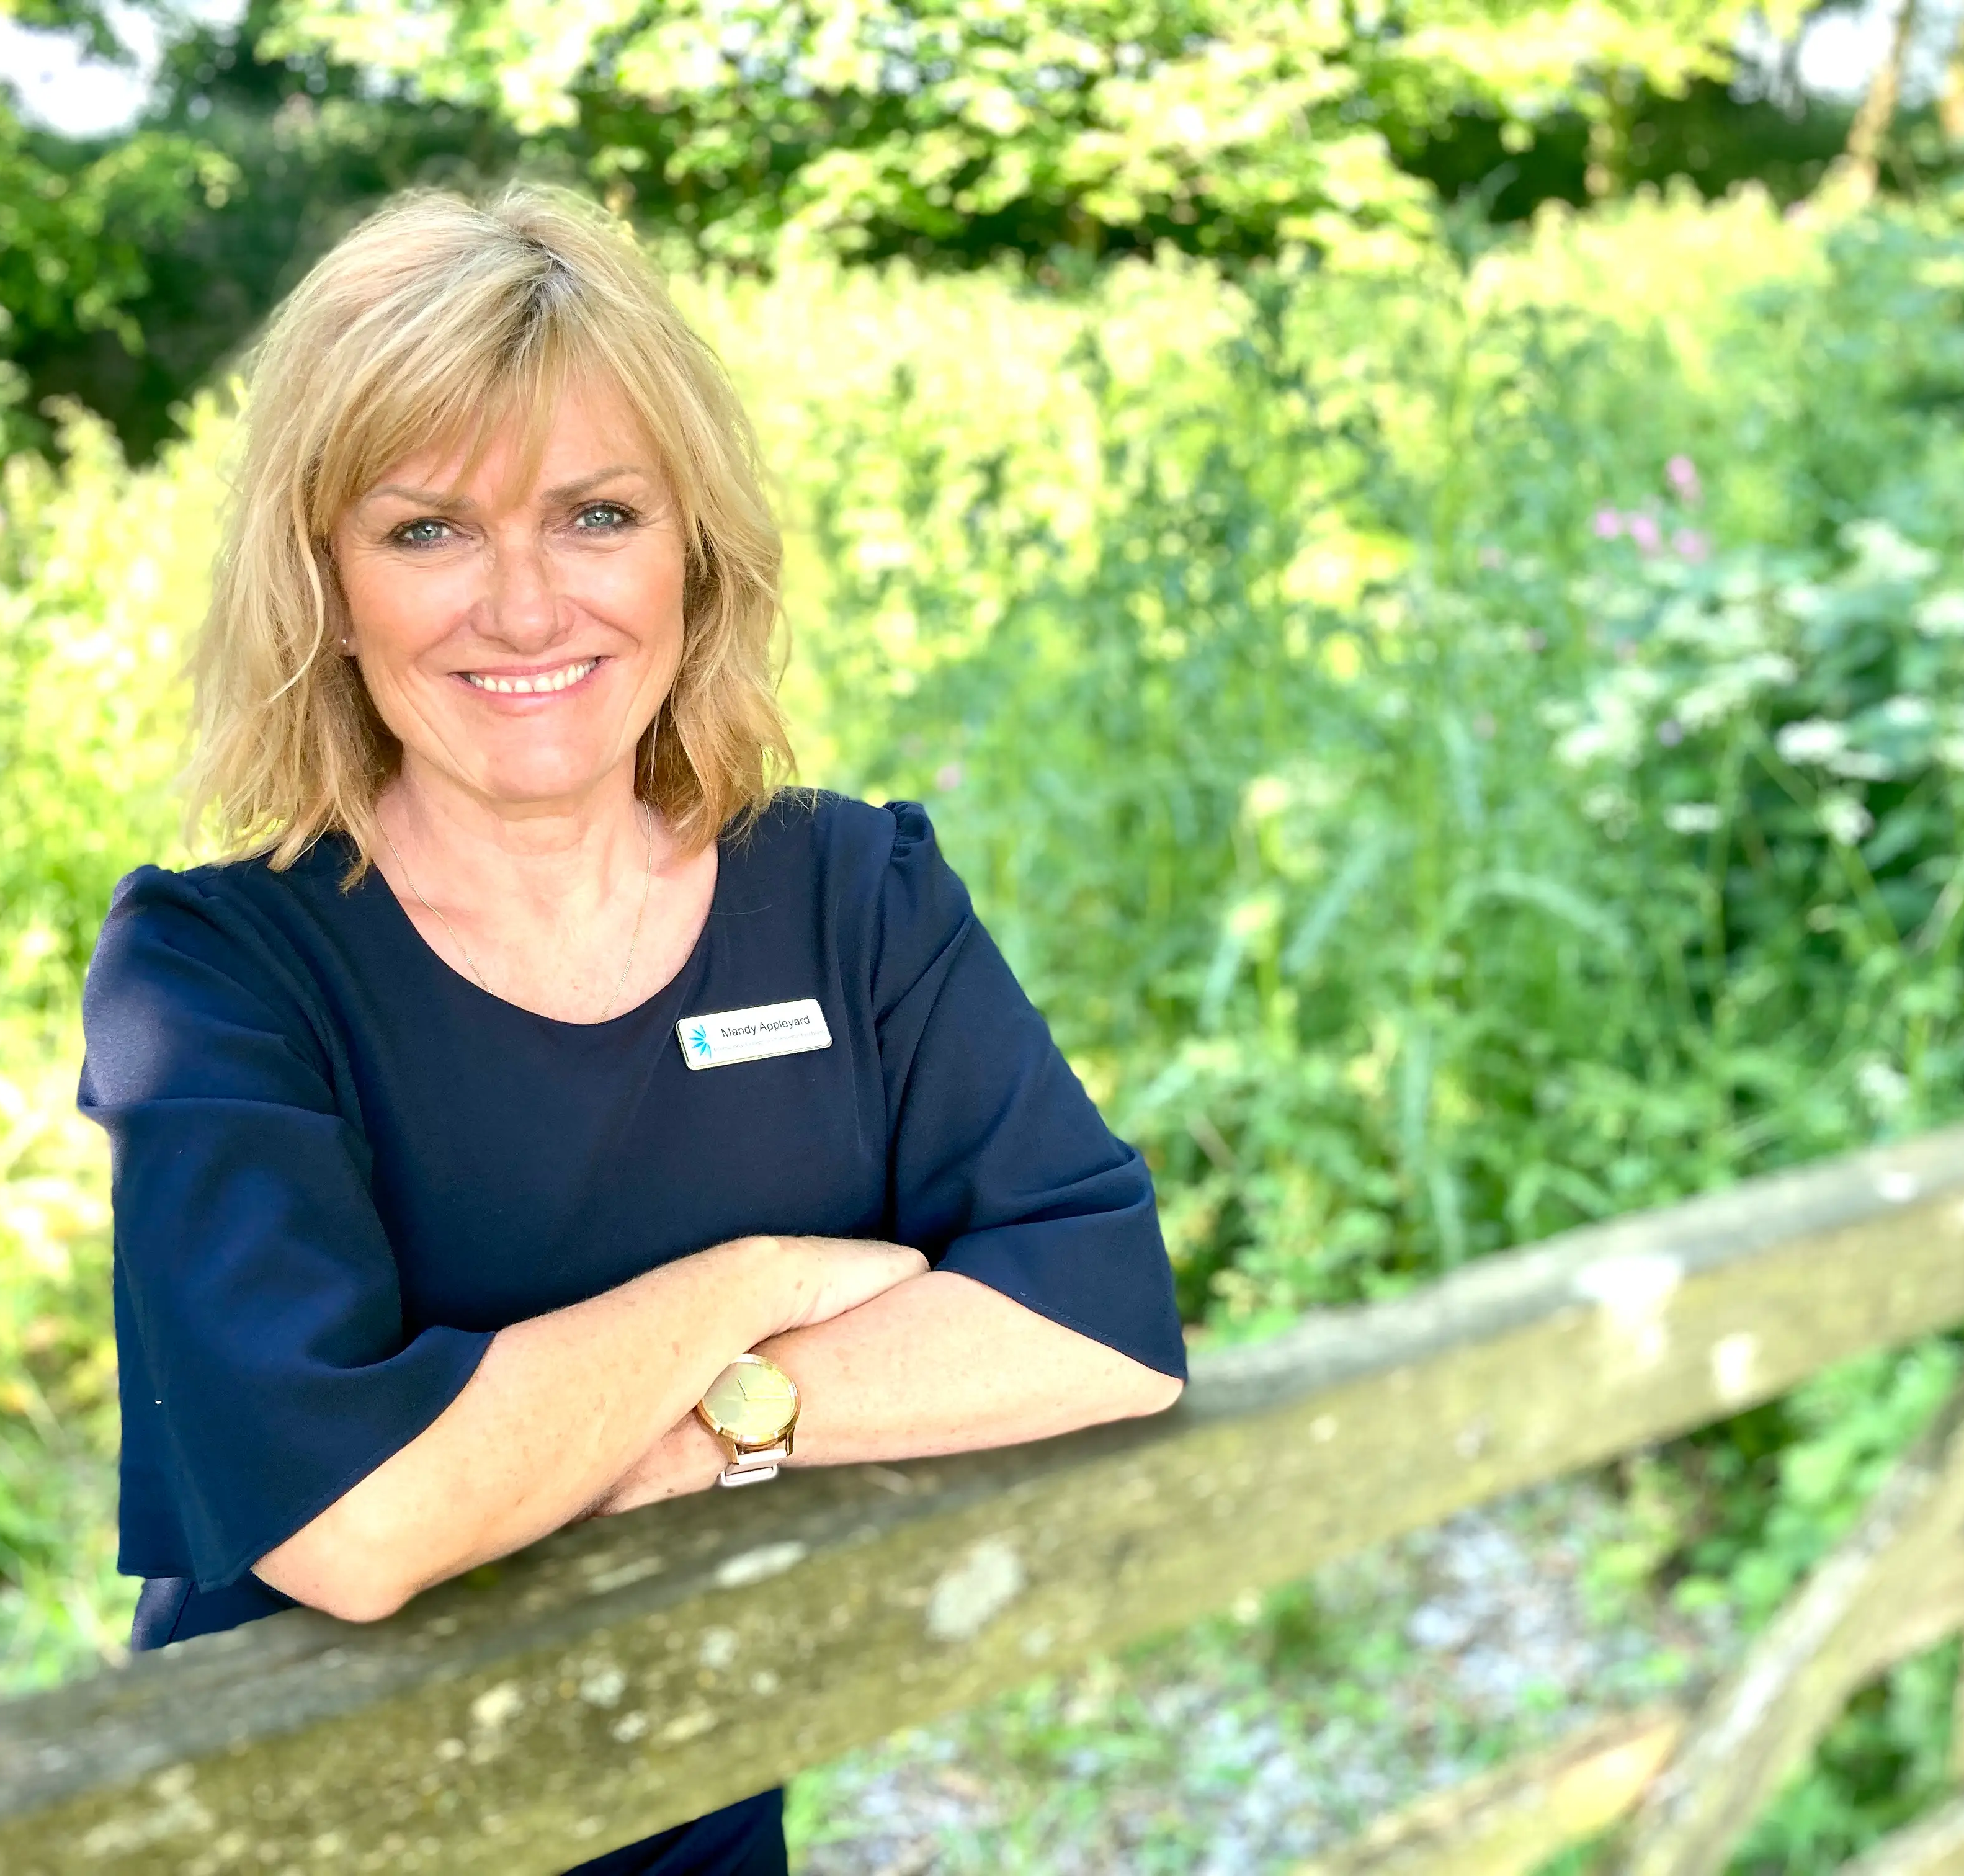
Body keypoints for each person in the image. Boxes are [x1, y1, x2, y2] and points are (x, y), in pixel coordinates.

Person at [77, 184, 1188, 1876]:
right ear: (324, 584)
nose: (527, 611)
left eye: (596, 515)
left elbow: (1101, 1325)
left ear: (695, 552)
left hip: (691, 1830)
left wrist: (711, 1422)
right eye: (429, 531)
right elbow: (353, 1524)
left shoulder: (847, 894)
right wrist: (757, 1284)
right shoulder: (221, 974)